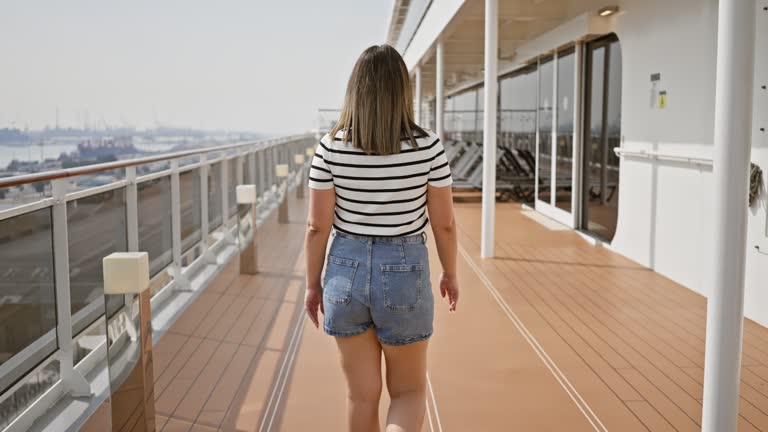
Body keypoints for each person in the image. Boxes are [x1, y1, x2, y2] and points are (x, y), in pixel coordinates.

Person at [303, 44, 460, 432]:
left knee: (361, 396)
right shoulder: (428, 147)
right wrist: (450, 273)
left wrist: (312, 285)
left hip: (344, 269)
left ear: (356, 89)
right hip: (405, 268)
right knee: (407, 392)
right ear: (401, 92)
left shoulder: (330, 147)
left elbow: (316, 227)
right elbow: (444, 224)